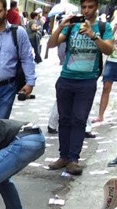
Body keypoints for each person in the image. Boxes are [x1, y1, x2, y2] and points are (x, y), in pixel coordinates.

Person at [46, 0, 114, 176]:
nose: (87, 10)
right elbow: (51, 44)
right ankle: (64, 157)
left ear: (96, 7)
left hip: (87, 81)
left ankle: (74, 159)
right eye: (84, 7)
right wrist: (61, 26)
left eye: (90, 7)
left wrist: (93, 35)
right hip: (66, 79)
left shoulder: (103, 26)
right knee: (64, 119)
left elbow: (108, 49)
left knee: (79, 119)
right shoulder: (72, 27)